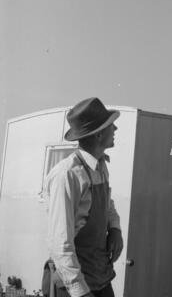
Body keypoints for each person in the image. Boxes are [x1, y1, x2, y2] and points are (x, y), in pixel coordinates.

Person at [44, 98, 123, 297]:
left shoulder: (100, 166)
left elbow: (108, 204)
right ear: (98, 135)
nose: (115, 128)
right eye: (110, 125)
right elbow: (60, 242)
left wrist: (115, 228)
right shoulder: (67, 175)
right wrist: (80, 291)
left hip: (99, 276)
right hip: (73, 285)